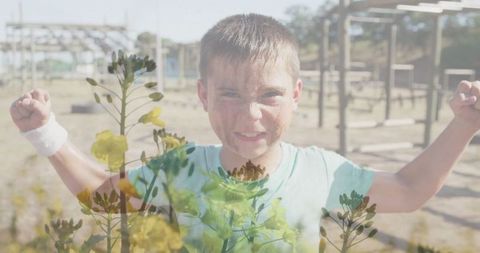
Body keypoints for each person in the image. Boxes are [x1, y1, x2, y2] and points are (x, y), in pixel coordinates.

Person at [10, 13, 480, 252]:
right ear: (203, 94)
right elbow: (105, 196)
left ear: (297, 94)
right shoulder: (181, 169)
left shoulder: (321, 173)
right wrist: (46, 134)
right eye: (230, 94)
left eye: (270, 95)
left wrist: (464, 124)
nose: (249, 115)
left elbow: (410, 189)